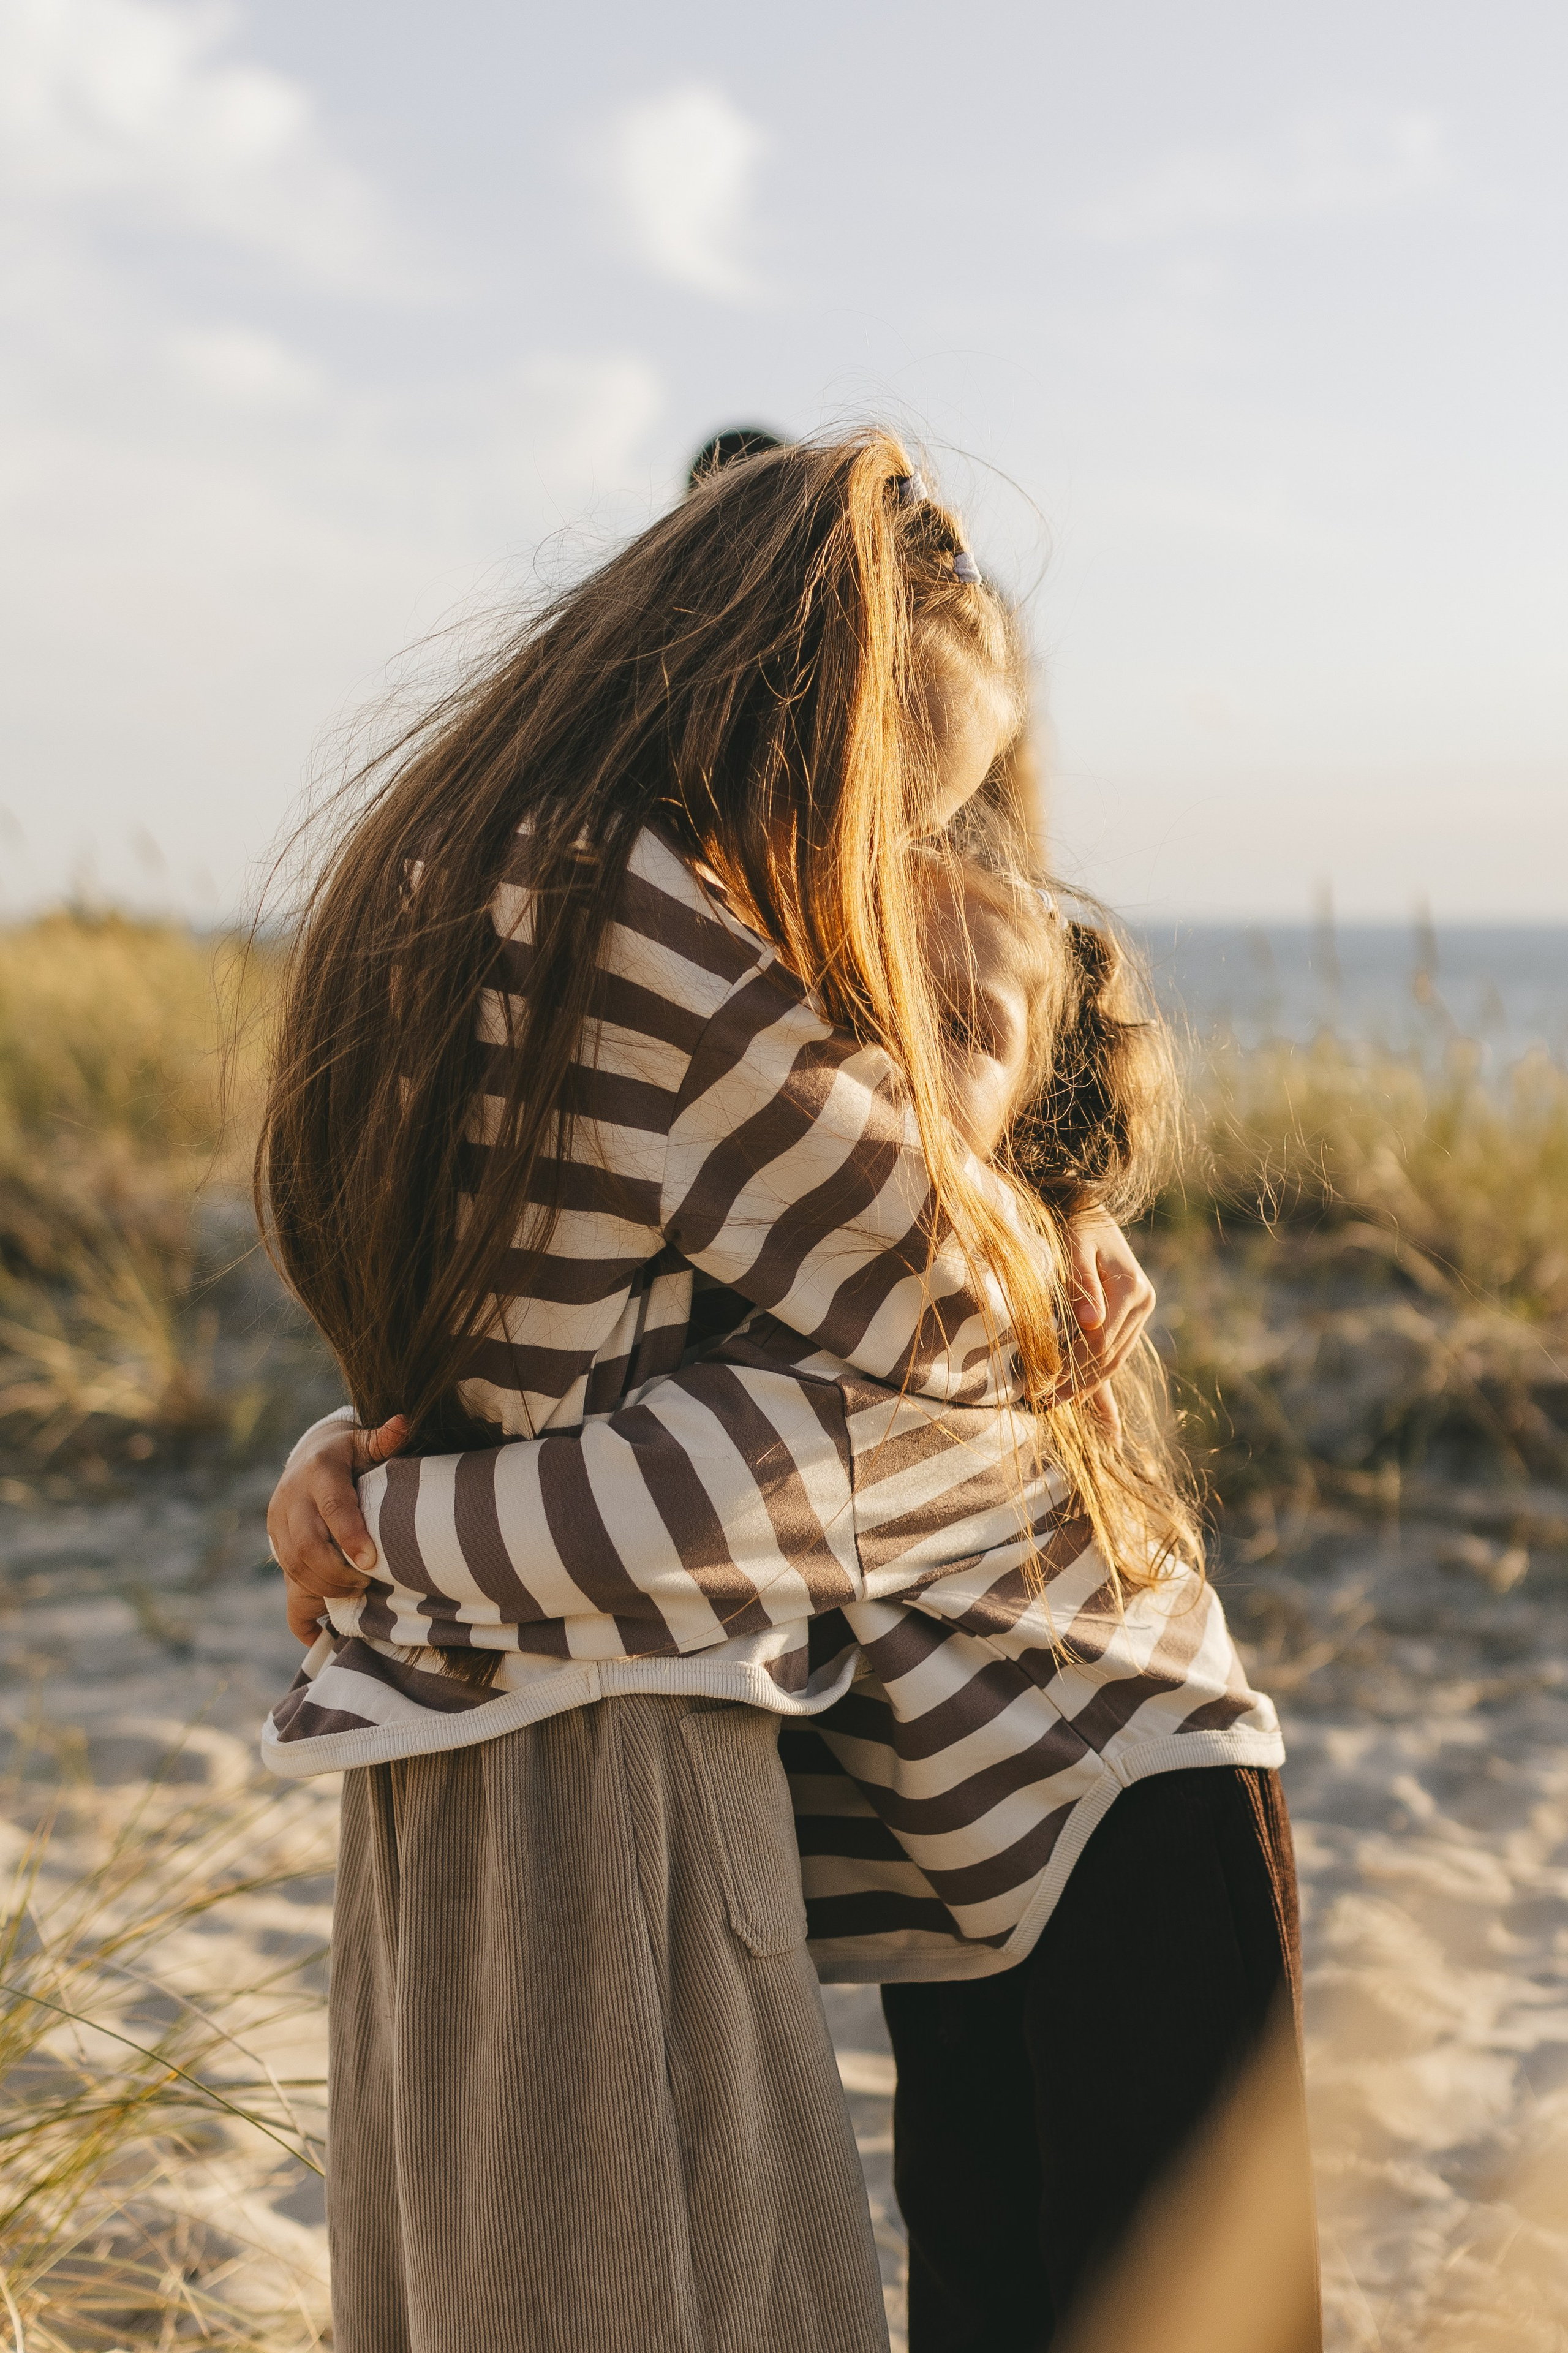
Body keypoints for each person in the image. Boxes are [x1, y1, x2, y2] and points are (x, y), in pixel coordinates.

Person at [258, 431, 1305, 2349]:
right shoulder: (657, 950)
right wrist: (1038, 1269)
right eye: (892, 778)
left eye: (956, 797)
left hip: (1093, 1814)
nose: (896, 843)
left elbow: (634, 1432)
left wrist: (354, 1502)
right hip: (678, 1769)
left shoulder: (467, 870)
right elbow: (929, 1297)